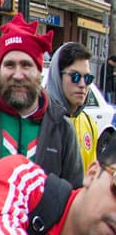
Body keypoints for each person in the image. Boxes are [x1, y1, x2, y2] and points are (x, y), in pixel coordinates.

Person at [0, 14, 83, 218]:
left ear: (39, 71)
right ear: (0, 69)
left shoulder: (62, 129)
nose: (18, 75)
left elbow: (74, 204)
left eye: (26, 65)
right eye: (10, 65)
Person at [44, 42, 99, 170]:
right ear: (57, 76)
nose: (82, 84)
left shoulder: (90, 124)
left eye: (88, 78)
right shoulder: (40, 122)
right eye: (75, 76)